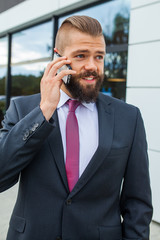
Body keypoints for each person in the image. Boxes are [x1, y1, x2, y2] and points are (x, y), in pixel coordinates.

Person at [0, 15, 152, 240]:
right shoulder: (22, 109)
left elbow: (137, 203)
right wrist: (44, 111)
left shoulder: (129, 117)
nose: (92, 66)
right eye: (81, 55)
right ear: (58, 58)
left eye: (98, 56)